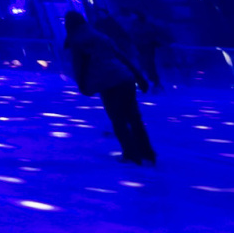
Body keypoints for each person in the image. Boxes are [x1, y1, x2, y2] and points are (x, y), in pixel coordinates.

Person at [64, 9, 155, 165]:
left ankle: (131, 154)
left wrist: (82, 85)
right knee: (134, 118)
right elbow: (121, 56)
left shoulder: (77, 41)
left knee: (118, 119)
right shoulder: (100, 36)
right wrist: (139, 77)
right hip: (125, 78)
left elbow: (78, 66)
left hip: (108, 83)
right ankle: (147, 153)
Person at [128, 9, 170, 90]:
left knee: (148, 65)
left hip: (147, 47)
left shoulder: (143, 25)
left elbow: (153, 33)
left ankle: (154, 82)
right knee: (146, 65)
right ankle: (152, 82)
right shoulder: (136, 24)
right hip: (142, 47)